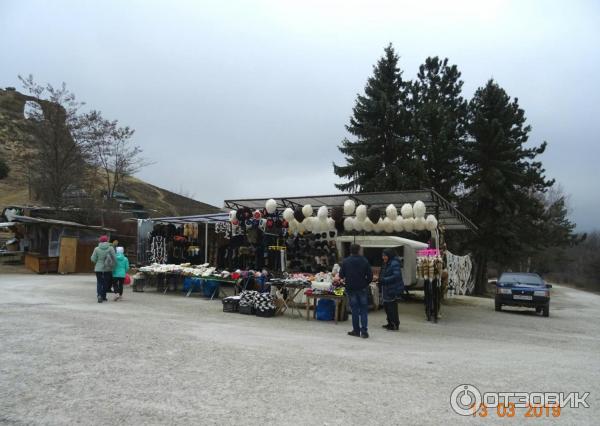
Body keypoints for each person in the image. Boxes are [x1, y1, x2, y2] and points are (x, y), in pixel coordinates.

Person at [339, 243, 373, 339]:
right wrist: (365, 283)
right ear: (358, 250)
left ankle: (356, 330)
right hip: (362, 288)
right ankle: (364, 331)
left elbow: (341, 275)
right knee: (363, 310)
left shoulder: (346, 261)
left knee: (354, 310)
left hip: (351, 288)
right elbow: (370, 276)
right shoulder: (364, 260)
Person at [380, 248, 404, 330]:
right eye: (383, 256)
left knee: (392, 307)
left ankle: (394, 324)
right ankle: (390, 323)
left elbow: (397, 276)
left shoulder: (394, 263)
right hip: (387, 287)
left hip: (392, 288)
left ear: (389, 255)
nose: (383, 257)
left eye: (385, 255)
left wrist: (385, 280)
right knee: (387, 306)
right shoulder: (387, 262)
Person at [91, 235, 116, 303]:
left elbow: (93, 259)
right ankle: (104, 296)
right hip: (107, 269)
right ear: (107, 241)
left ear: (100, 241)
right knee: (105, 283)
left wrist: (98, 262)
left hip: (98, 269)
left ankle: (99, 295)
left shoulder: (96, 249)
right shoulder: (110, 248)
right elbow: (114, 258)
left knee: (99, 282)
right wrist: (112, 265)